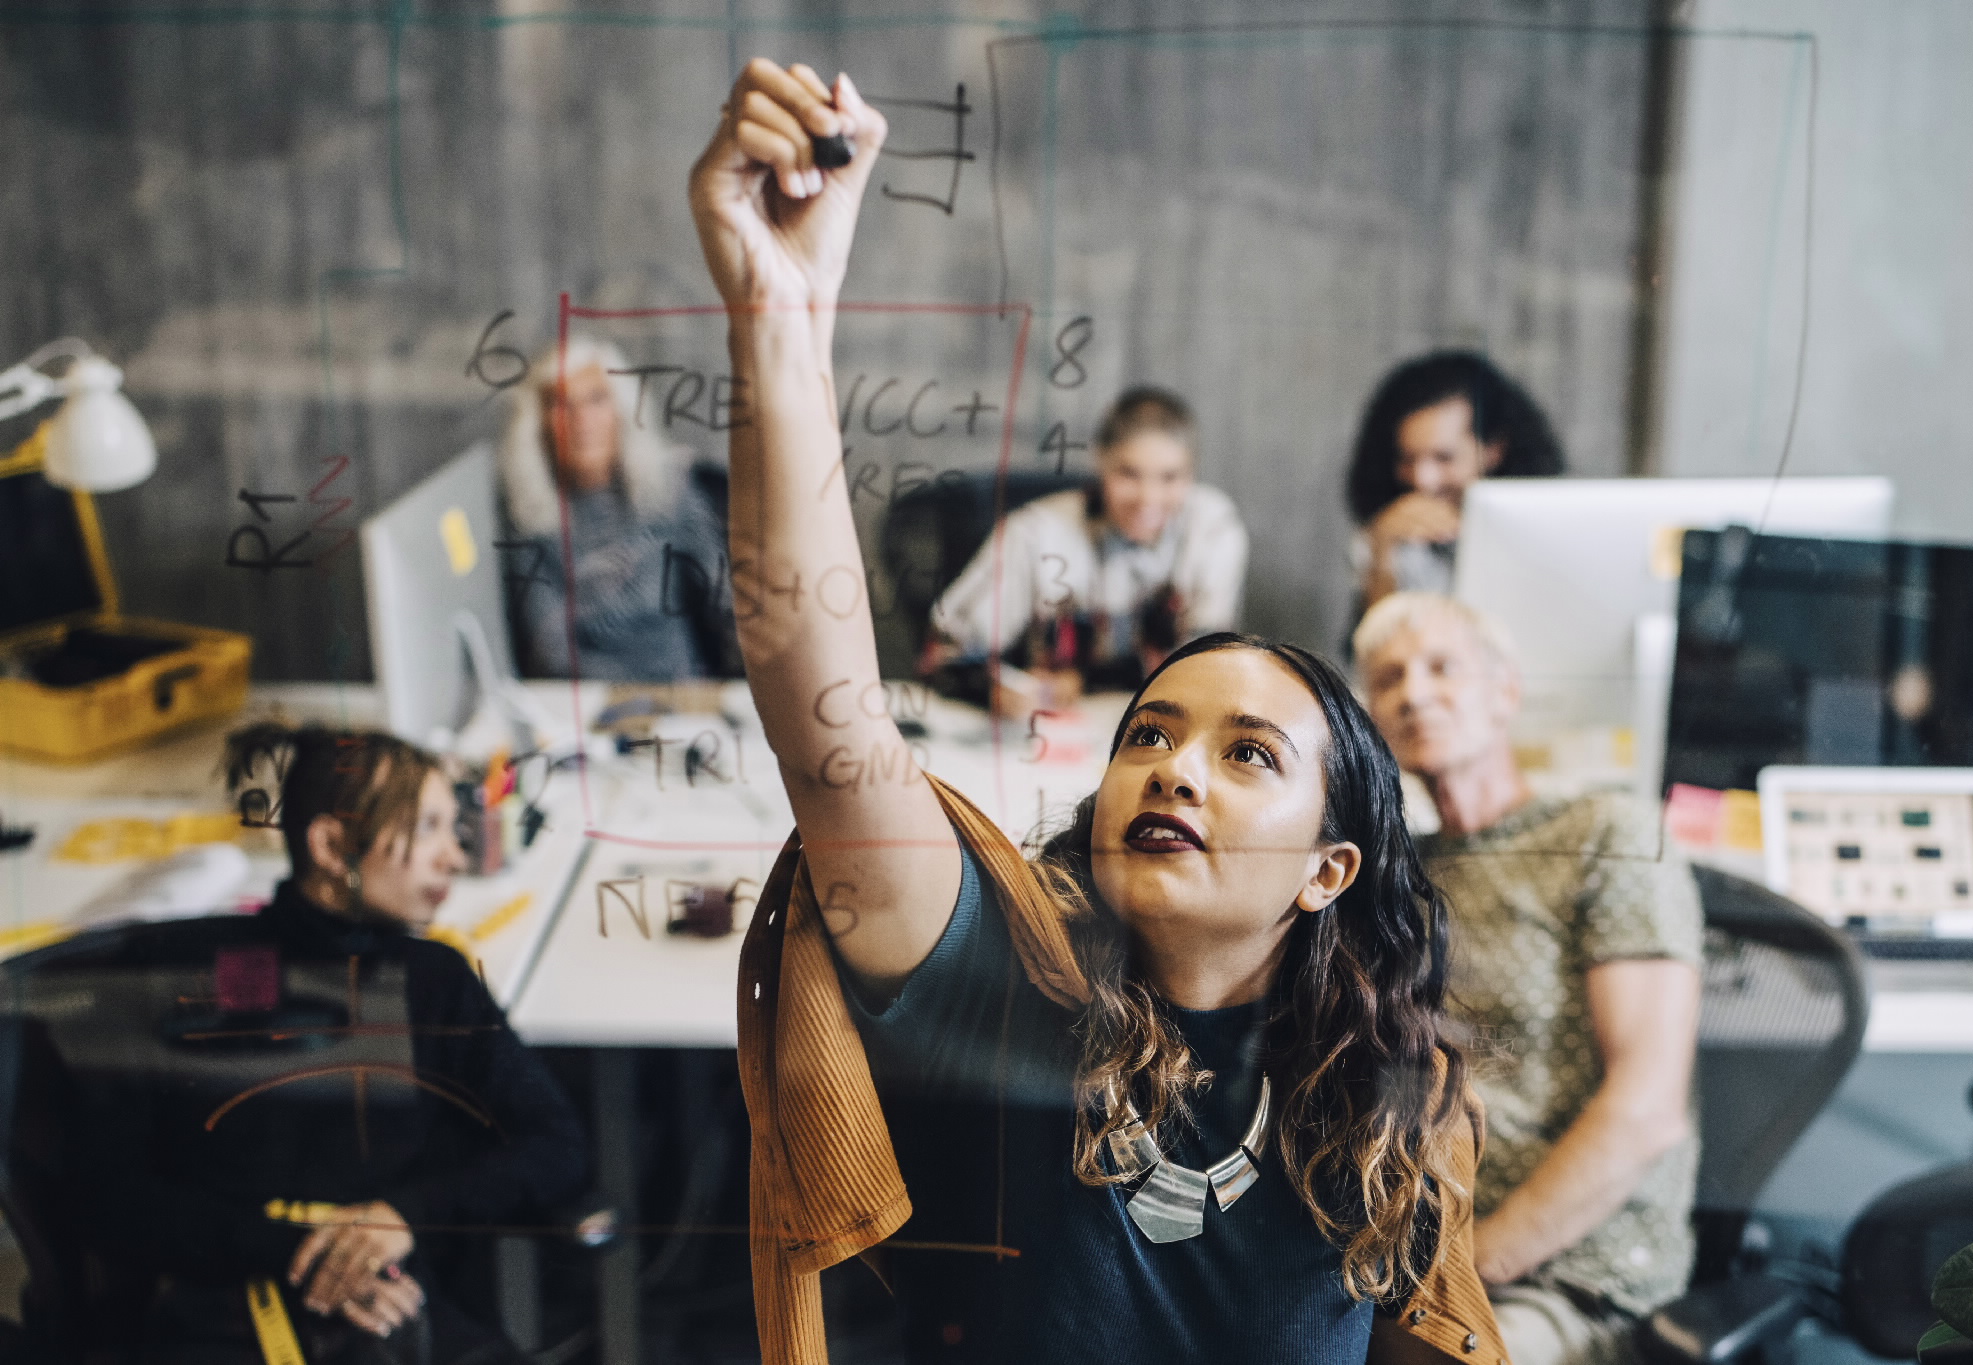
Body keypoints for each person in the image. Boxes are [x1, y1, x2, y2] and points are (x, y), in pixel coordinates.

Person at [689, 60, 1506, 1365]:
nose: (1176, 768)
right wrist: (779, 313)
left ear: (1327, 867)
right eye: (1150, 735)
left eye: (1248, 754)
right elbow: (829, 725)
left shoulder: (1384, 1101)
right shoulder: (998, 1006)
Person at [73, 724, 588, 1364]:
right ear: (332, 844)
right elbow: (110, 1195)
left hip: (397, 1308)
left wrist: (401, 1218)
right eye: (427, 829)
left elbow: (557, 1145)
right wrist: (304, 1256)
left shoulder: (432, 983)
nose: (454, 858)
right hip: (223, 1312)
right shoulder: (200, 979)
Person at [1355, 592, 1702, 1365]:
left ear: (1505, 691)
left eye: (1442, 667)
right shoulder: (1394, 875)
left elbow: (1647, 1109)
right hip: (1407, 1254)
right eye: (1388, 679)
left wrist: (1469, 1269)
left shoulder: (1605, 836)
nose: (1413, 692)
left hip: (1571, 1267)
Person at [921, 385, 1248, 717]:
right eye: (1129, 474)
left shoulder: (1212, 528)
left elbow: (1207, 665)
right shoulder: (1035, 533)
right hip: (1046, 732)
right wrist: (993, 691)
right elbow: (944, 654)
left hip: (1158, 726)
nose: (1149, 498)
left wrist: (1082, 681)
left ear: (1191, 473)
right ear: (1100, 462)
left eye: (1170, 477)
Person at [496, 333, 735, 680]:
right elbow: (549, 653)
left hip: (687, 696)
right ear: (539, 426)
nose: (582, 419)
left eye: (597, 400)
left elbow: (725, 607)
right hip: (588, 705)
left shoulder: (671, 490)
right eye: (562, 405)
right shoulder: (530, 519)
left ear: (622, 411)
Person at [1346, 352, 1565, 608]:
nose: (1422, 479)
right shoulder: (1385, 535)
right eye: (1407, 459)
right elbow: (1379, 644)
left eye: (1443, 458)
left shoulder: (1546, 533)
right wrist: (1382, 555)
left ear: (1493, 450)